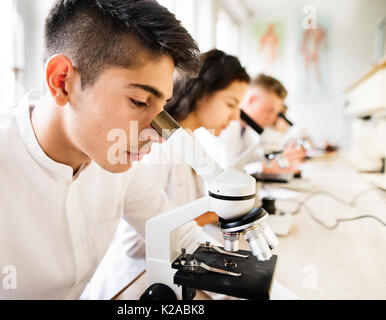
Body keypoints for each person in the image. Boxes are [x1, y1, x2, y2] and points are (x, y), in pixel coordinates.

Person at [0, 0, 213, 299]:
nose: (158, 134)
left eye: (162, 110)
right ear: (62, 81)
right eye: (139, 102)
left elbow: (179, 236)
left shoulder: (116, 163)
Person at [83, 50, 298, 300]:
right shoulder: (155, 150)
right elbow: (137, 239)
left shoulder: (194, 145)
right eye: (230, 104)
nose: (235, 116)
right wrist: (209, 215)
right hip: (134, 282)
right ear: (202, 93)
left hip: (175, 269)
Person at [218, 74, 306, 175]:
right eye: (269, 111)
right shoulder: (225, 126)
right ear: (252, 100)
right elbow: (226, 170)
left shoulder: (246, 128)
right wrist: (262, 167)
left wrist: (282, 155)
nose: (272, 118)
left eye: (276, 113)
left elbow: (248, 157)